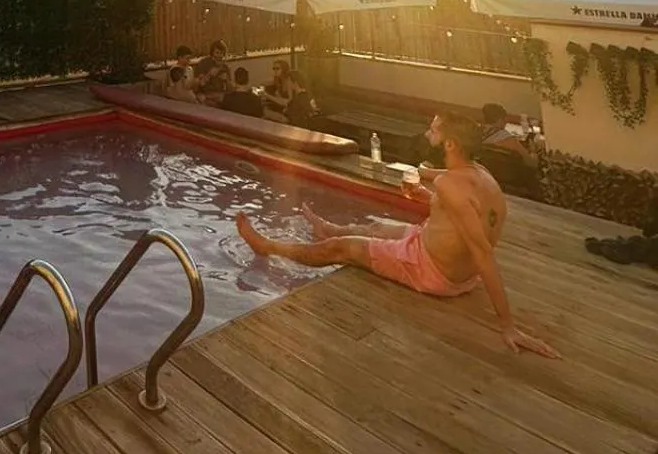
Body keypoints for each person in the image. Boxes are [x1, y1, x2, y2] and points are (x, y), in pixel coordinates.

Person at [235, 112, 559, 357]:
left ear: (450, 144)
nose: (426, 134)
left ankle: (268, 246)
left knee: (342, 248)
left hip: (432, 270)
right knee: (375, 228)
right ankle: (327, 227)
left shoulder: (451, 186)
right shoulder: (478, 173)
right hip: (445, 257)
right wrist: (423, 187)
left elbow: (484, 254)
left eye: (433, 130)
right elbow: (450, 198)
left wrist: (508, 326)